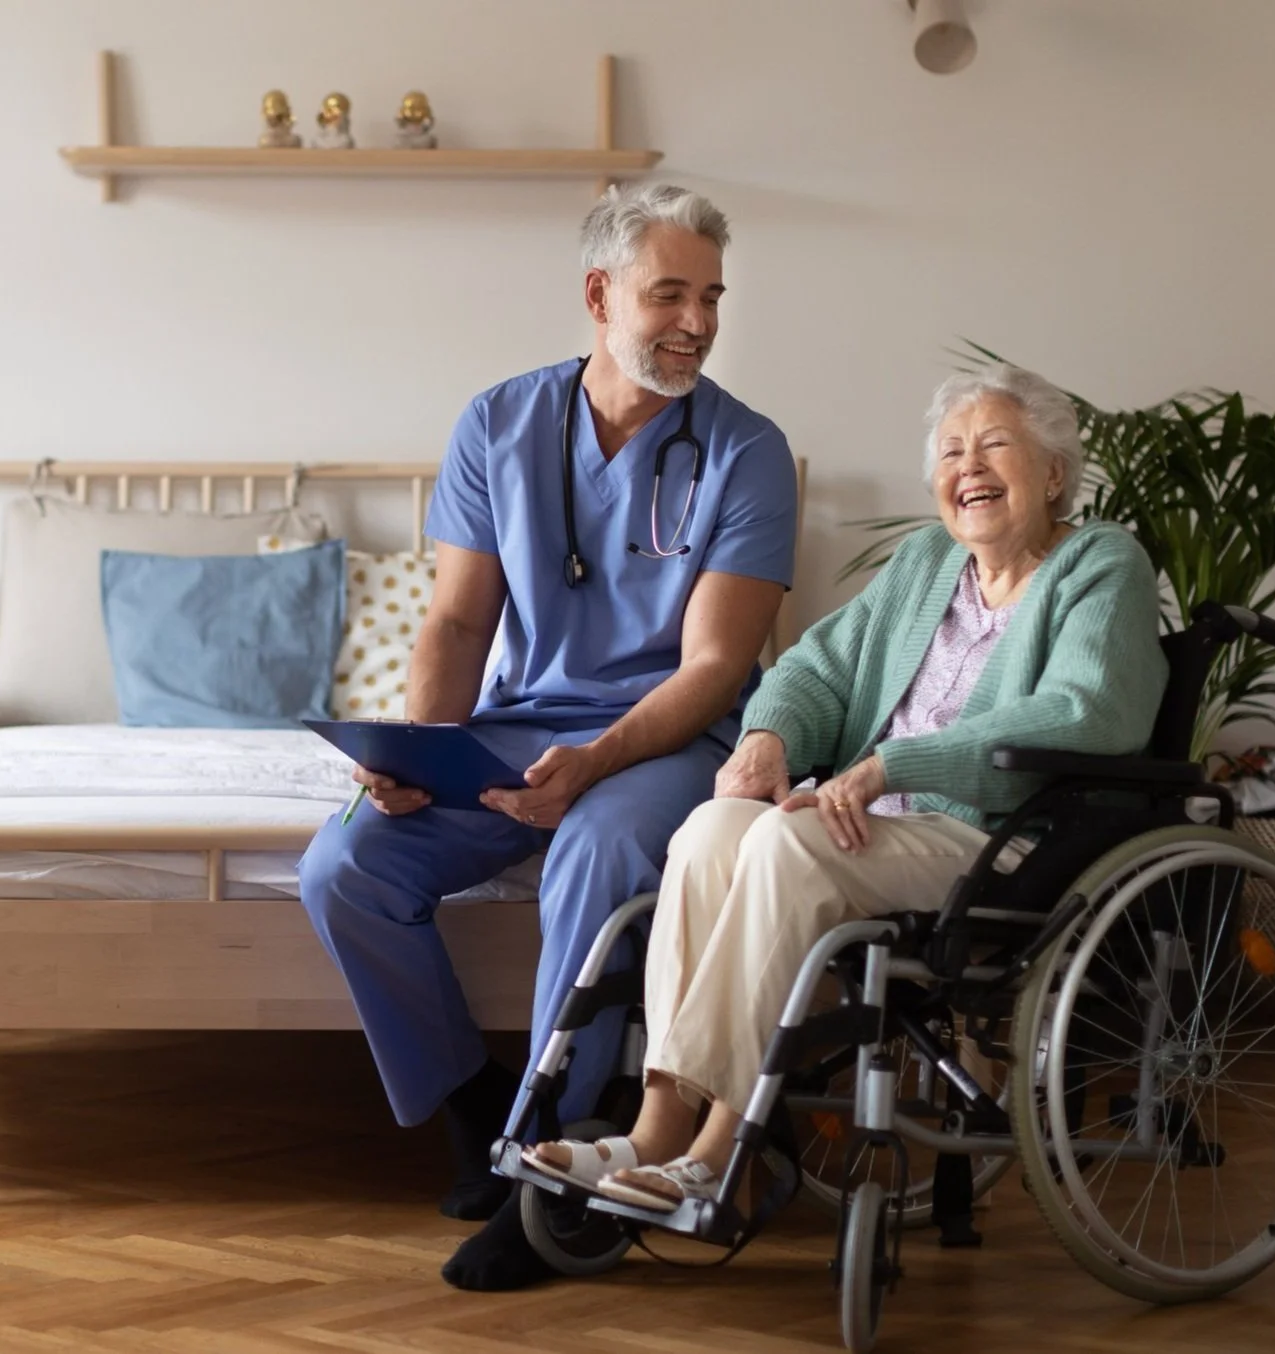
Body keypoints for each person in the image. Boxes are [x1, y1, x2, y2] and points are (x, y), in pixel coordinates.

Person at [297, 184, 799, 1290]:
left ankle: (549, 1172)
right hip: (523, 725)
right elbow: (458, 619)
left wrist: (597, 765)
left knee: (599, 852)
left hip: (675, 739)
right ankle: (470, 1098)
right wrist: (417, 752)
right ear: (599, 293)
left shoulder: (748, 451)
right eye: (670, 293)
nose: (699, 322)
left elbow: (717, 665)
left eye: (711, 297)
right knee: (346, 863)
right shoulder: (499, 422)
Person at [522, 363, 1169, 1214]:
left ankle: (722, 1152)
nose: (966, 467)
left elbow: (1085, 711)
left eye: (994, 446)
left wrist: (893, 767)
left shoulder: (1099, 564)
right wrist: (767, 738)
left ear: (1052, 472)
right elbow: (815, 667)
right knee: (715, 826)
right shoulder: (927, 562)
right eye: (950, 451)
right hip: (865, 829)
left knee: (787, 843)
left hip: (995, 841)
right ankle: (655, 1128)